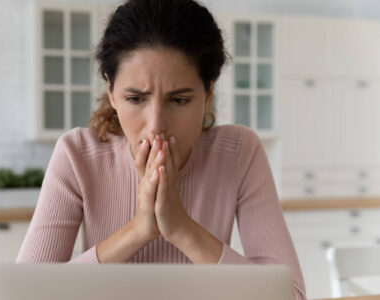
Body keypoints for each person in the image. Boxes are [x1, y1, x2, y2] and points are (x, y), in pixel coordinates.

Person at [17, 0, 306, 299]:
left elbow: (292, 295)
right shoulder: (77, 155)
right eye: (135, 99)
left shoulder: (238, 153)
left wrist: (180, 228)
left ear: (208, 96)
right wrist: (139, 230)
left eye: (178, 101)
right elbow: (24, 295)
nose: (156, 125)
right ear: (111, 93)